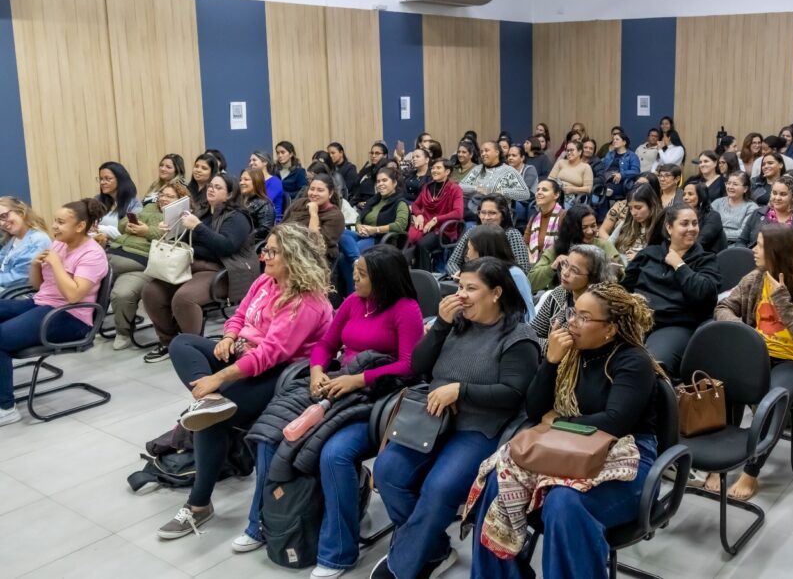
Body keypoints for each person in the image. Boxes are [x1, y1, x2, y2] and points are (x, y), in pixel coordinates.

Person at [235, 243, 421, 574]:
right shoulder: (353, 302)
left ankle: (338, 553)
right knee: (269, 435)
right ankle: (259, 524)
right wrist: (317, 370)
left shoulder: (406, 310)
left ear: (382, 279)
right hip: (334, 386)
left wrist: (358, 379)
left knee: (334, 454)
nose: (354, 277)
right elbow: (325, 344)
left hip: (375, 399)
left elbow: (409, 366)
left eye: (361, 274)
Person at [470, 282, 666, 579]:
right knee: (499, 479)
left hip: (626, 457)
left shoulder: (632, 360)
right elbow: (535, 410)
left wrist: (559, 422)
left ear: (610, 329)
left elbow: (615, 422)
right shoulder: (570, 353)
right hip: (567, 446)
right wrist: (550, 362)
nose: (572, 322)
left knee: (564, 503)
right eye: (573, 312)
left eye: (584, 318)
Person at [156, 224, 333, 538]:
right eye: (266, 250)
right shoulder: (266, 281)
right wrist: (229, 337)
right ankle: (211, 401)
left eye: (273, 252)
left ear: (294, 257)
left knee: (210, 420)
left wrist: (218, 377)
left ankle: (199, 505)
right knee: (182, 344)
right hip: (244, 354)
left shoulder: (306, 302)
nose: (264, 257)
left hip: (280, 374)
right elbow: (239, 315)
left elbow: (270, 354)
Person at [371, 257, 540, 579]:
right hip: (433, 420)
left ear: (496, 293)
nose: (461, 294)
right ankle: (433, 549)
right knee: (387, 471)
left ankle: (402, 567)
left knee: (440, 487)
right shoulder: (456, 324)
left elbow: (514, 393)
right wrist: (441, 325)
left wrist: (461, 391)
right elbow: (418, 366)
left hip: (480, 427)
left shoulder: (518, 337)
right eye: (460, 286)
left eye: (471, 288)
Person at [712, 224, 793, 500]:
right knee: (723, 387)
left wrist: (782, 300)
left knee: (773, 399)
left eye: (760, 245)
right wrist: (743, 330)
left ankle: (751, 472)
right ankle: (720, 458)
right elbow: (723, 306)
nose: (754, 250)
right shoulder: (755, 278)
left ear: (776, 252)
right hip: (758, 356)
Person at [0, 198, 108, 427]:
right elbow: (39, 287)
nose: (54, 226)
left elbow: (74, 296)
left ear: (80, 226)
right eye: (55, 221)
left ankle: (6, 408)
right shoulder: (59, 244)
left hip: (71, 317)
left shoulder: (93, 254)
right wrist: (35, 265)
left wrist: (57, 264)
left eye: (60, 222)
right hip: (41, 304)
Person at [141, 173, 259, 362]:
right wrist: (171, 230)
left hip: (224, 271)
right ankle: (169, 342)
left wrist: (198, 227)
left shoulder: (238, 217)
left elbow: (226, 247)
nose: (211, 189)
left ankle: (193, 348)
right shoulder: (202, 212)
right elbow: (188, 242)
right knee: (151, 291)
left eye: (218, 187)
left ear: (229, 194)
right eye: (210, 186)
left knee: (184, 298)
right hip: (193, 265)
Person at [622, 204, 720, 375]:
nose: (692, 228)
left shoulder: (705, 260)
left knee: (650, 364)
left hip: (675, 325)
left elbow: (704, 294)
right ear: (669, 228)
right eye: (684, 223)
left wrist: (679, 265)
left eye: (695, 223)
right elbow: (625, 288)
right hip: (638, 321)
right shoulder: (649, 254)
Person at [108, 183, 191, 351]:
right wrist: (128, 226)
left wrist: (146, 231)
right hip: (116, 251)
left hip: (142, 262)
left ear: (181, 200)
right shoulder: (148, 207)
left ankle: (122, 332)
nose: (164, 199)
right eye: (162, 195)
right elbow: (121, 224)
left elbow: (172, 240)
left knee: (122, 294)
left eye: (170, 196)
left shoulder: (182, 216)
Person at [337, 168, 409, 294]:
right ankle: (355, 260)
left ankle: (353, 293)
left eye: (384, 180)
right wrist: (359, 226)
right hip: (364, 234)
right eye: (378, 181)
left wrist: (375, 229)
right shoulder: (374, 200)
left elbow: (400, 226)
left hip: (381, 239)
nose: (380, 184)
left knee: (343, 258)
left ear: (394, 183)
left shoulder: (400, 202)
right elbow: (359, 217)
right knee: (340, 232)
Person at [530, 244, 615, 350]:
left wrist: (554, 345)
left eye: (574, 270)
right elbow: (531, 335)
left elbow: (577, 349)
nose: (565, 273)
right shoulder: (559, 293)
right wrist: (550, 345)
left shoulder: (599, 307)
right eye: (565, 265)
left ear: (593, 278)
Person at [528, 204, 620, 293]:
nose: (590, 231)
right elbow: (531, 284)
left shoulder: (604, 246)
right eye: (584, 227)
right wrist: (552, 267)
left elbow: (621, 276)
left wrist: (610, 268)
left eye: (593, 226)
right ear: (571, 229)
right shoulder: (556, 249)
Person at [464, 224, 535, 322]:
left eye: (469, 248)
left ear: (482, 250)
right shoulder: (475, 273)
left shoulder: (514, 274)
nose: (467, 254)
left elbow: (528, 314)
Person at [404, 158, 465, 271]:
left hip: (443, 229)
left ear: (447, 171)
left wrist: (436, 219)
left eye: (438, 168)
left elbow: (458, 213)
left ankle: (424, 277)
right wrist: (419, 215)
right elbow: (415, 205)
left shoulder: (455, 189)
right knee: (405, 239)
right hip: (424, 224)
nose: (434, 170)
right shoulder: (427, 187)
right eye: (433, 168)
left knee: (422, 245)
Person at [447, 195, 529, 277]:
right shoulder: (472, 231)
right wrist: (459, 274)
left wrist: (483, 279)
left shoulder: (511, 235)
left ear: (503, 215)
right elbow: (452, 262)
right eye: (483, 213)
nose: (486, 217)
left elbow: (523, 269)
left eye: (492, 213)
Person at [739, 176, 793, 248]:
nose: (777, 198)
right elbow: (741, 242)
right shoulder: (757, 213)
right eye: (774, 193)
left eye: (783, 194)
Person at [282, 173, 345, 263]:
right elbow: (281, 227)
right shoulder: (300, 203)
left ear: (330, 193)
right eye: (312, 189)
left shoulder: (335, 216)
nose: (314, 193)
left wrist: (314, 214)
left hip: (312, 260)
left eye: (320, 190)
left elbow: (315, 243)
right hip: (285, 248)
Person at [460, 141, 532, 217]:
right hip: (476, 213)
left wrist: (503, 192)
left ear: (497, 152)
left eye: (486, 150)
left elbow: (525, 194)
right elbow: (460, 187)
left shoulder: (509, 171)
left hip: (500, 216)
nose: (483, 154)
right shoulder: (477, 169)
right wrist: (476, 188)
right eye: (481, 152)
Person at [600, 183, 662, 265]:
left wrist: (641, 257)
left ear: (651, 205)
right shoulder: (626, 223)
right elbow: (609, 245)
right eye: (630, 208)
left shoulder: (662, 228)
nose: (633, 213)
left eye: (638, 207)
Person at [0, 198, 51, 294]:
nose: (1, 223)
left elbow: (22, 277)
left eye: (4, 216)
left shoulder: (38, 240)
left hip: (20, 294)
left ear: (21, 212)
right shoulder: (12, 239)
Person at [93, 162, 143, 247]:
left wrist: (101, 229)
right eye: (101, 179)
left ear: (120, 180)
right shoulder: (97, 199)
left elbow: (132, 233)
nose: (102, 182)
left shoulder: (134, 204)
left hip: (121, 248)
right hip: (98, 245)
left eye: (108, 179)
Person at [523, 179, 564, 267]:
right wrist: (531, 261)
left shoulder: (564, 216)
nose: (539, 192)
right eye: (538, 190)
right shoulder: (534, 218)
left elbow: (567, 245)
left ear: (556, 195)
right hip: (533, 265)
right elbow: (525, 242)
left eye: (544, 190)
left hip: (555, 265)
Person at [712, 172, 758, 245]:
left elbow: (743, 233)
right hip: (713, 242)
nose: (730, 187)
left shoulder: (751, 207)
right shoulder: (717, 203)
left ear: (745, 189)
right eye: (728, 183)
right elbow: (708, 225)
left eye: (735, 184)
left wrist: (717, 235)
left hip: (736, 245)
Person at [682, 181, 727, 253]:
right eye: (684, 195)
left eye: (690, 194)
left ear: (701, 197)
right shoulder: (682, 216)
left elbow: (702, 240)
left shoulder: (713, 216)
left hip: (708, 255)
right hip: (689, 252)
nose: (685, 198)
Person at [239, 168, 275, 243]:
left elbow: (265, 230)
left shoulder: (264, 204)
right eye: (240, 180)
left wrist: (242, 235)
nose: (241, 183)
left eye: (246, 179)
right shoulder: (238, 201)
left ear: (256, 182)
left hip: (250, 244)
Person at [601, 132, 641, 200]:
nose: (614, 141)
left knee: (604, 191)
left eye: (617, 139)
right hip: (606, 179)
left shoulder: (632, 156)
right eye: (613, 139)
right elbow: (602, 167)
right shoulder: (609, 154)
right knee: (595, 188)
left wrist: (622, 174)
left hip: (620, 182)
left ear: (624, 142)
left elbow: (636, 171)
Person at [351, 142, 390, 206]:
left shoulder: (389, 170)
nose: (373, 156)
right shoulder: (366, 171)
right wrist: (358, 203)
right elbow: (356, 190)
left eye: (377, 153)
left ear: (385, 155)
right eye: (372, 153)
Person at [249, 151, 284, 222]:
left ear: (265, 162)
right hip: (255, 218)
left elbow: (265, 202)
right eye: (250, 161)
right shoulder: (252, 181)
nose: (251, 163)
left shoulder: (275, 182)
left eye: (254, 160)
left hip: (271, 221)